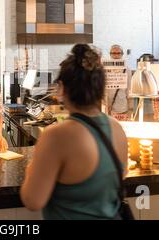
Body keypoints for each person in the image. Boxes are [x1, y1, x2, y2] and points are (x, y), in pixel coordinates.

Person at [20, 44, 128, 219]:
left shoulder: (56, 136)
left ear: (62, 88)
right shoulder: (117, 129)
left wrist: (31, 169)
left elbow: (33, 201)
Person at [106, 45, 131, 120]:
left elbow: (129, 87)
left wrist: (129, 106)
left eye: (118, 53)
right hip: (106, 103)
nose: (116, 55)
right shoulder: (104, 67)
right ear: (110, 54)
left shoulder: (126, 69)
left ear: (122, 54)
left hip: (121, 103)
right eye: (113, 53)